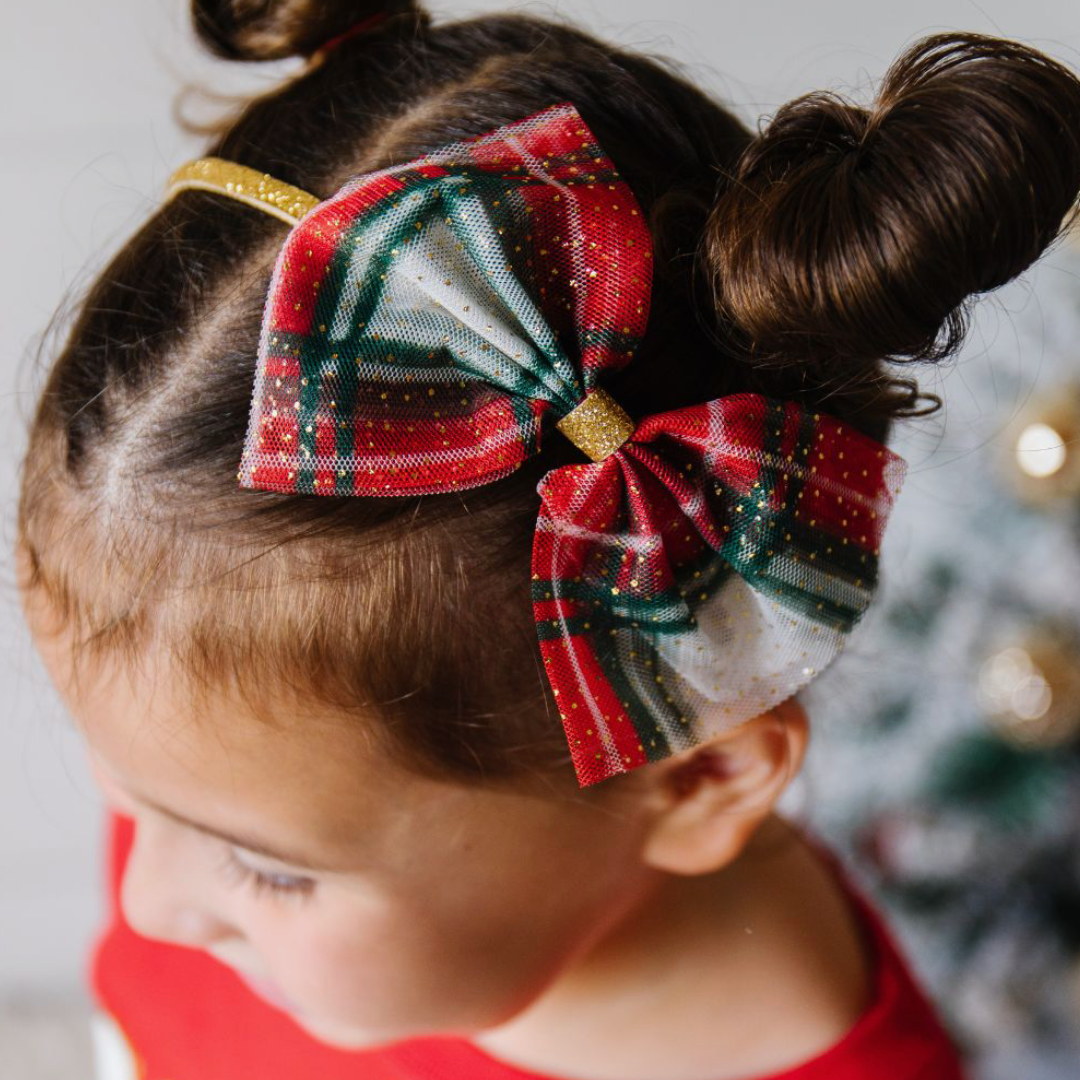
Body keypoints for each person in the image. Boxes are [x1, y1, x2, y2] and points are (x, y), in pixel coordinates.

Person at [14, 2, 1080, 1078]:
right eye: (115, 785)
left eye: (270, 873)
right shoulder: (225, 787)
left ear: (696, 785)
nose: (147, 904)